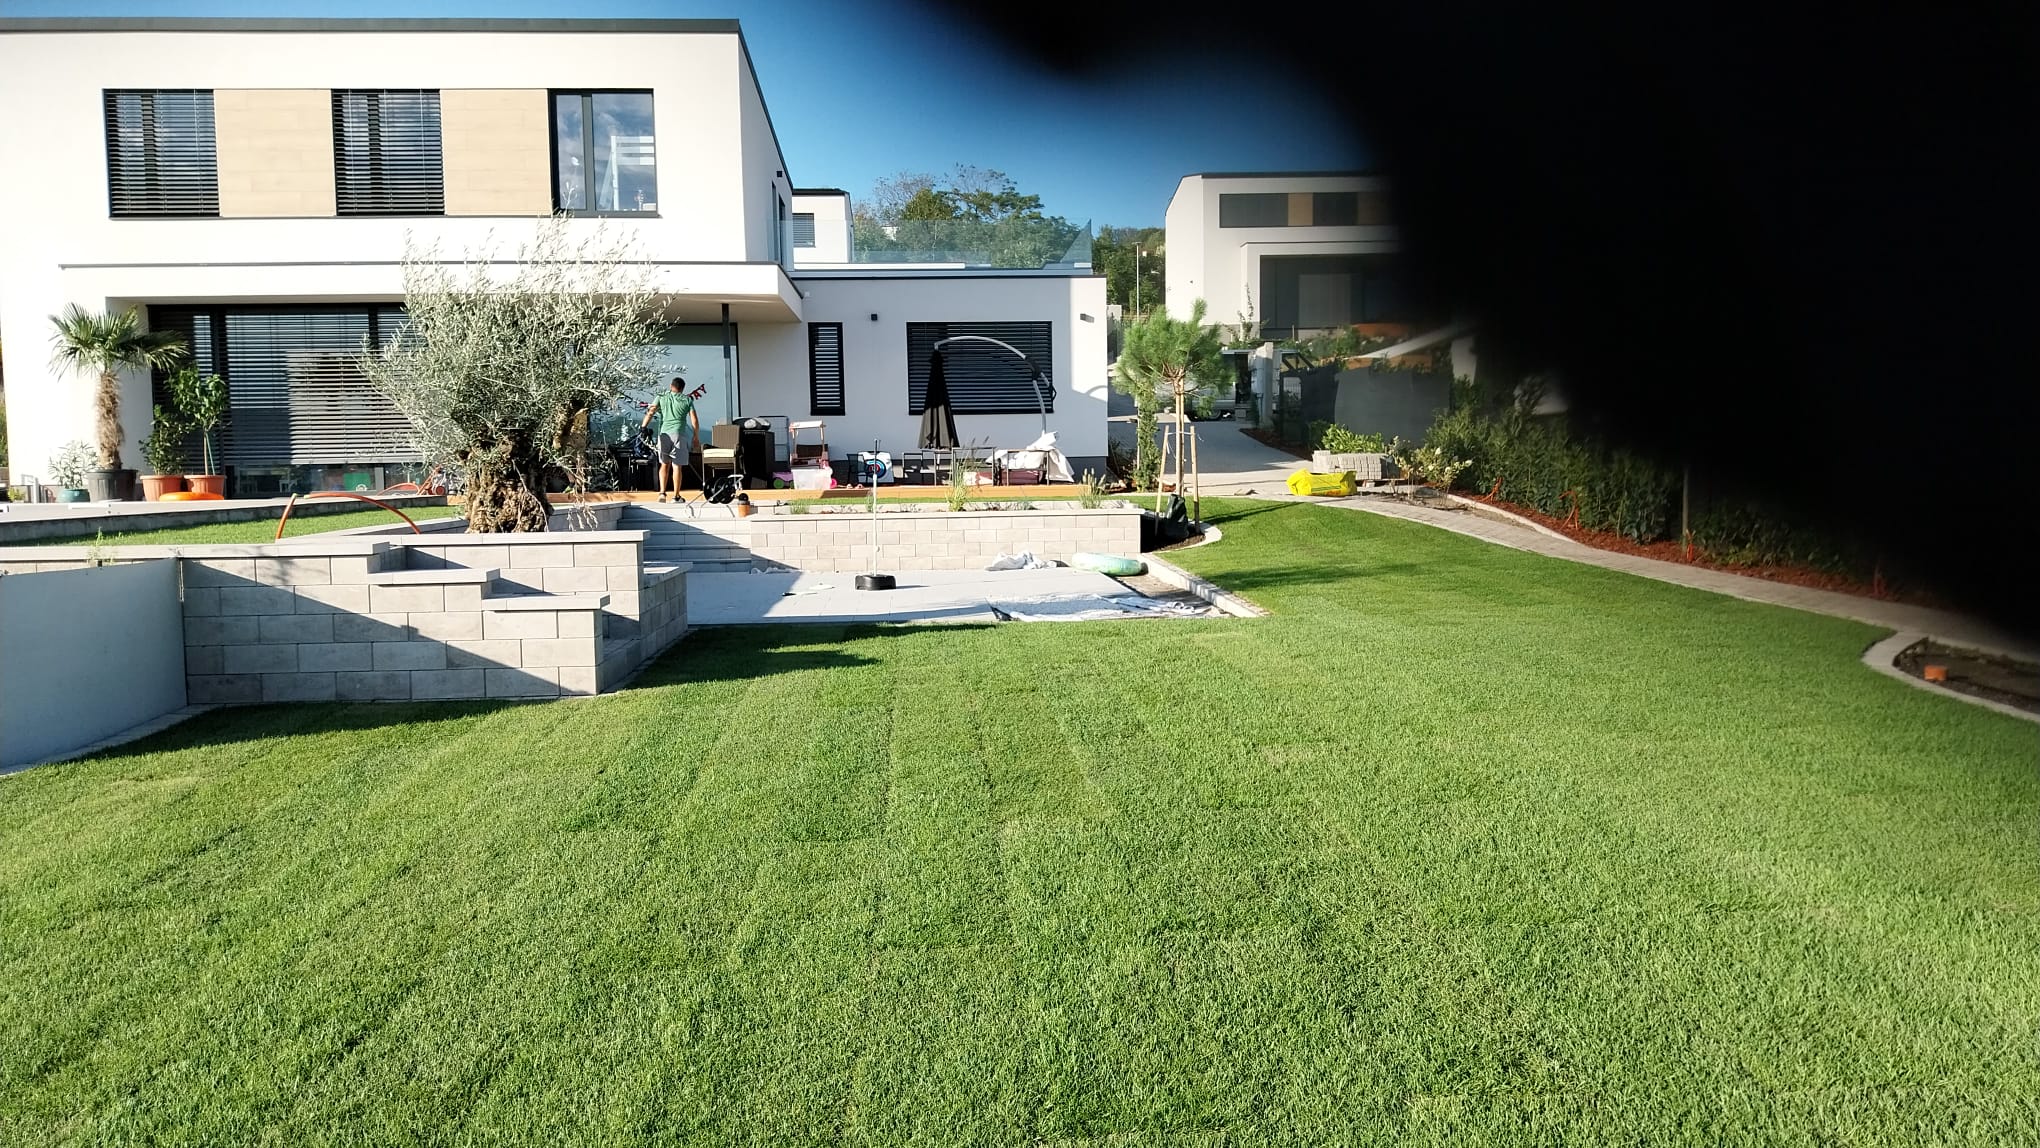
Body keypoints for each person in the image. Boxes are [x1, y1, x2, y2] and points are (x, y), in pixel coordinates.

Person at [638, 376, 701, 502]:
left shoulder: (661, 397)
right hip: (679, 434)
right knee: (677, 466)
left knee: (664, 464)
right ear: (682, 389)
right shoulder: (687, 400)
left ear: (671, 386)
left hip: (664, 434)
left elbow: (651, 412)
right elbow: (694, 420)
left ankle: (662, 493)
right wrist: (695, 436)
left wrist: (643, 427)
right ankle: (676, 496)